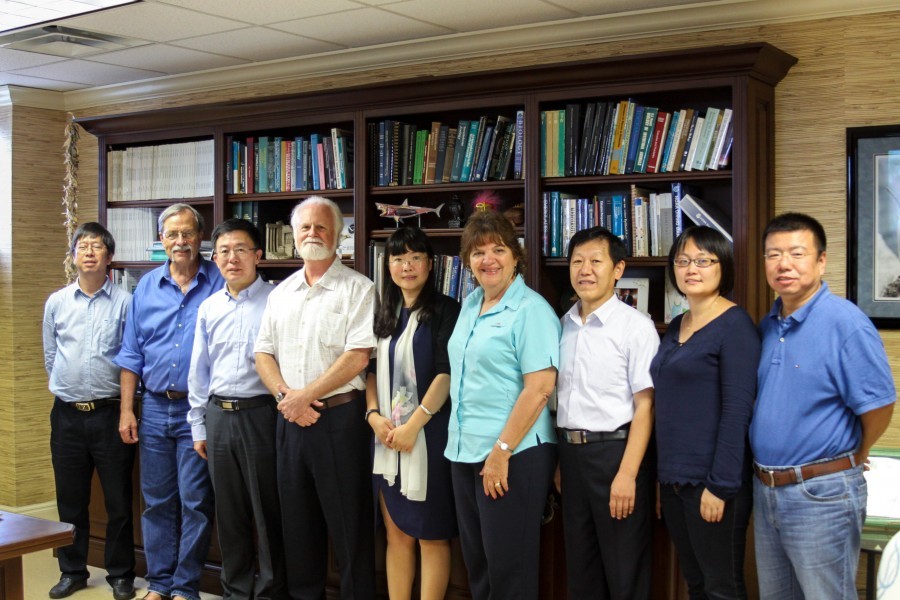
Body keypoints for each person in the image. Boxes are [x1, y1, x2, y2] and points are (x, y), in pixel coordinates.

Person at [751, 212, 896, 600]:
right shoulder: (767, 324)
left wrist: (858, 452)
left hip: (822, 494)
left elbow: (879, 405)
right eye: (773, 254)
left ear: (820, 261)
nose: (784, 264)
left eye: (797, 253)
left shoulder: (845, 322)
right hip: (766, 491)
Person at [254, 196, 376, 600]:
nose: (312, 234)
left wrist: (304, 396)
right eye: (305, 227)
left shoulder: (359, 288)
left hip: (340, 421)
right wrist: (288, 398)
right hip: (290, 420)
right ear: (293, 236)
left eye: (322, 227)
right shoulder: (280, 292)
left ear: (338, 236)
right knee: (298, 524)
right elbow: (263, 353)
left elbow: (358, 355)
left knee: (349, 525)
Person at [445, 210, 559, 600]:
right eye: (477, 253)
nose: (488, 259)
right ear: (467, 262)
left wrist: (502, 450)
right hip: (465, 451)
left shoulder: (531, 310)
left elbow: (540, 387)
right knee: (479, 566)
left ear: (515, 255)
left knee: (510, 570)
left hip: (512, 454)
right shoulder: (470, 303)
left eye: (498, 249)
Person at [115, 203, 225, 600]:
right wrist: (128, 409)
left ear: (201, 238)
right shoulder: (145, 287)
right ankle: (159, 584)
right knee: (157, 501)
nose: (181, 241)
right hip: (154, 408)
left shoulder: (219, 281)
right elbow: (131, 353)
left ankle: (185, 587)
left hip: (199, 410)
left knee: (196, 502)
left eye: (188, 233)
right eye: (172, 234)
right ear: (161, 240)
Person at [650, 226, 759, 599]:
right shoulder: (680, 323)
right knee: (696, 583)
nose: (690, 268)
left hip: (713, 483)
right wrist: (665, 479)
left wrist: (720, 485)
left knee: (722, 587)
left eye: (702, 260)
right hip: (676, 480)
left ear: (722, 267)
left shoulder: (736, 326)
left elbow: (737, 410)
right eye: (682, 261)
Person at [555, 226, 659, 600]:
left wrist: (628, 474)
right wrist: (560, 462)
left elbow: (645, 406)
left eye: (596, 261)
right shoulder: (562, 325)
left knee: (624, 571)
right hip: (570, 455)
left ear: (618, 270)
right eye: (578, 261)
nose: (585, 269)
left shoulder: (636, 327)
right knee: (581, 571)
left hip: (616, 456)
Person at [187, 218, 285, 599]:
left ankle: (271, 592)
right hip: (218, 417)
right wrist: (199, 426)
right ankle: (235, 591)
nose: (232, 258)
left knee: (266, 512)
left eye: (241, 249)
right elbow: (199, 370)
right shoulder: (209, 307)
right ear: (214, 259)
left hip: (262, 413)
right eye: (223, 251)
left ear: (258, 255)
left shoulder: (277, 300)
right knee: (228, 515)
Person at [42, 222, 136, 600]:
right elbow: (51, 355)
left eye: (97, 246)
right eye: (83, 246)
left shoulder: (126, 302)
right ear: (74, 255)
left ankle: (120, 573)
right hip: (66, 414)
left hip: (110, 412)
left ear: (109, 257)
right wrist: (70, 387)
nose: (89, 252)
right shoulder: (57, 302)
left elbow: (132, 357)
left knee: (118, 501)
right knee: (70, 499)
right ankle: (72, 571)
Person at [366, 227, 460, 600]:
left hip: (429, 434)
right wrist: (373, 415)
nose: (407, 266)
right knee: (397, 535)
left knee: (431, 535)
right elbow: (369, 370)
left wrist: (413, 425)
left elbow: (446, 373)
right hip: (385, 436)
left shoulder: (446, 309)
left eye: (415, 257)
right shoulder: (383, 311)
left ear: (430, 264)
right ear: (387, 265)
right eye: (398, 258)